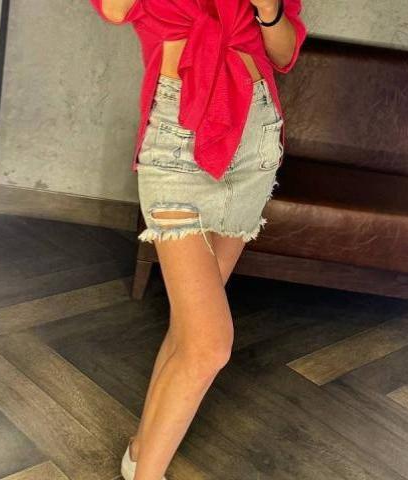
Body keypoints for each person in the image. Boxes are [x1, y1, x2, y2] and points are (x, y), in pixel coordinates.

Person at [88, 1, 307, 478]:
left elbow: (284, 53)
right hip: (176, 136)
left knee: (189, 332)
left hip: (255, 137)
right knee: (209, 344)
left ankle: (141, 453)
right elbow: (114, 9)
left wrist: (269, 10)